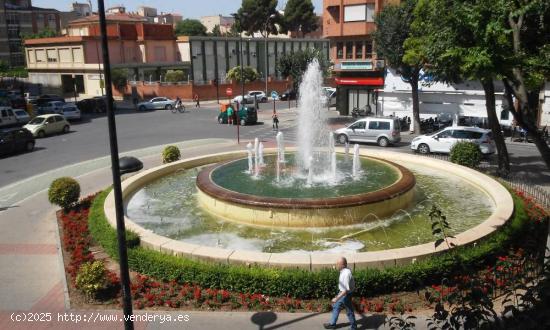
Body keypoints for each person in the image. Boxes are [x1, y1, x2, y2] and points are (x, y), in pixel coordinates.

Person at [324, 257, 356, 330]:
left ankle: (353, 327)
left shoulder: (345, 274)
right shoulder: (345, 270)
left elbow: (345, 290)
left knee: (349, 311)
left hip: (346, 294)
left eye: (337, 264)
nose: (336, 265)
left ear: (342, 265)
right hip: (344, 293)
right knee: (336, 306)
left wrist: (336, 298)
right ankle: (332, 324)